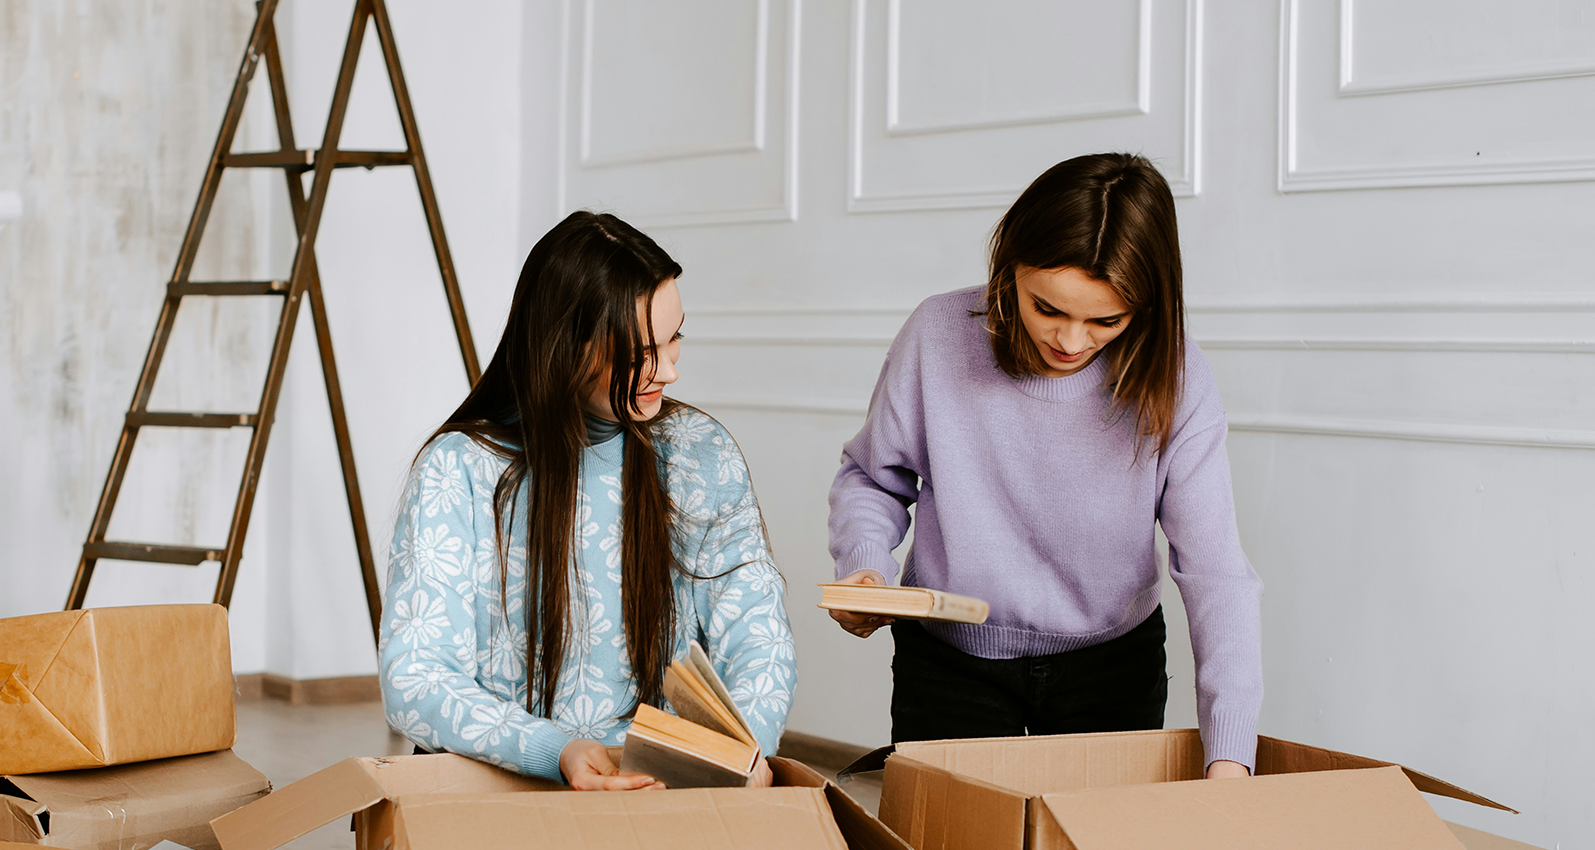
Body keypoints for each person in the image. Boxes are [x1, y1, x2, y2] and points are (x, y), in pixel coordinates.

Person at [827, 153, 1262, 778]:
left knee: (1096, 829)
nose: (1071, 341)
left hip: (1112, 666)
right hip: (951, 663)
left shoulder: (1176, 373)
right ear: (1009, 268)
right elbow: (874, 478)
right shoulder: (938, 334)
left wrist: (1230, 756)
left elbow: (1215, 568)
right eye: (1048, 309)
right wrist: (865, 567)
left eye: (1106, 320)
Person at [381, 210, 795, 790]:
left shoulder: (700, 453)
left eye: (675, 338)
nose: (669, 371)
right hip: (497, 788)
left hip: (656, 788)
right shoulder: (459, 469)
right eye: (642, 352)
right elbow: (416, 678)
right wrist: (555, 751)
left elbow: (758, 636)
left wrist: (743, 750)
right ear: (566, 348)